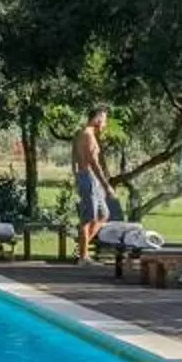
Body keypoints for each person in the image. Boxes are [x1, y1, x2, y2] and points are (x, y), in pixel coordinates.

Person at [74, 106, 115, 256]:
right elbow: (93, 163)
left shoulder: (86, 134)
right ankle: (83, 256)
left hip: (90, 179)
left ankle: (81, 250)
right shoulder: (87, 135)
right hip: (89, 178)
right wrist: (106, 185)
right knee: (88, 217)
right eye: (104, 120)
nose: (105, 124)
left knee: (103, 214)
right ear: (97, 118)